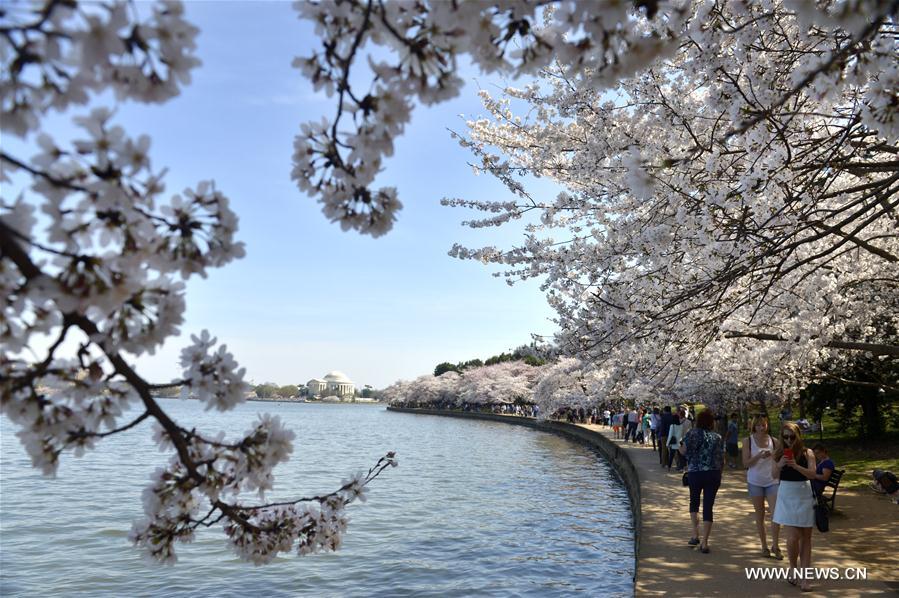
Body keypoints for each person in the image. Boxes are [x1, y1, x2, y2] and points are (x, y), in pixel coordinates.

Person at [772, 422, 817, 591]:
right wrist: (780, 464)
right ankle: (793, 568)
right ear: (781, 437)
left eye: (792, 436)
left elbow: (813, 474)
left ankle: (806, 578)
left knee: (806, 537)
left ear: (798, 436)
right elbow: (773, 475)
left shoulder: (807, 453)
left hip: (804, 494)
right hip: (786, 495)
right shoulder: (777, 454)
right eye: (785, 437)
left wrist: (796, 466)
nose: (789, 440)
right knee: (792, 538)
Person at [679, 409, 724, 554]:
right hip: (713, 474)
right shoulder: (717, 437)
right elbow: (721, 458)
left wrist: (680, 448)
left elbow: (683, 451)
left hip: (695, 473)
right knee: (708, 506)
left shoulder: (691, 434)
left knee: (694, 502)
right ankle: (705, 542)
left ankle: (695, 534)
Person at [743, 415, 782, 559]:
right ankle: (764, 546)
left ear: (767, 425)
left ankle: (776, 545)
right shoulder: (748, 441)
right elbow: (746, 463)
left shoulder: (774, 441)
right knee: (760, 515)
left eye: (763, 425)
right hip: (755, 481)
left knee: (776, 514)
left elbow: (780, 460)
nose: (761, 428)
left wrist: (772, 454)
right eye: (758, 425)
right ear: (754, 426)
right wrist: (759, 456)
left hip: (772, 480)